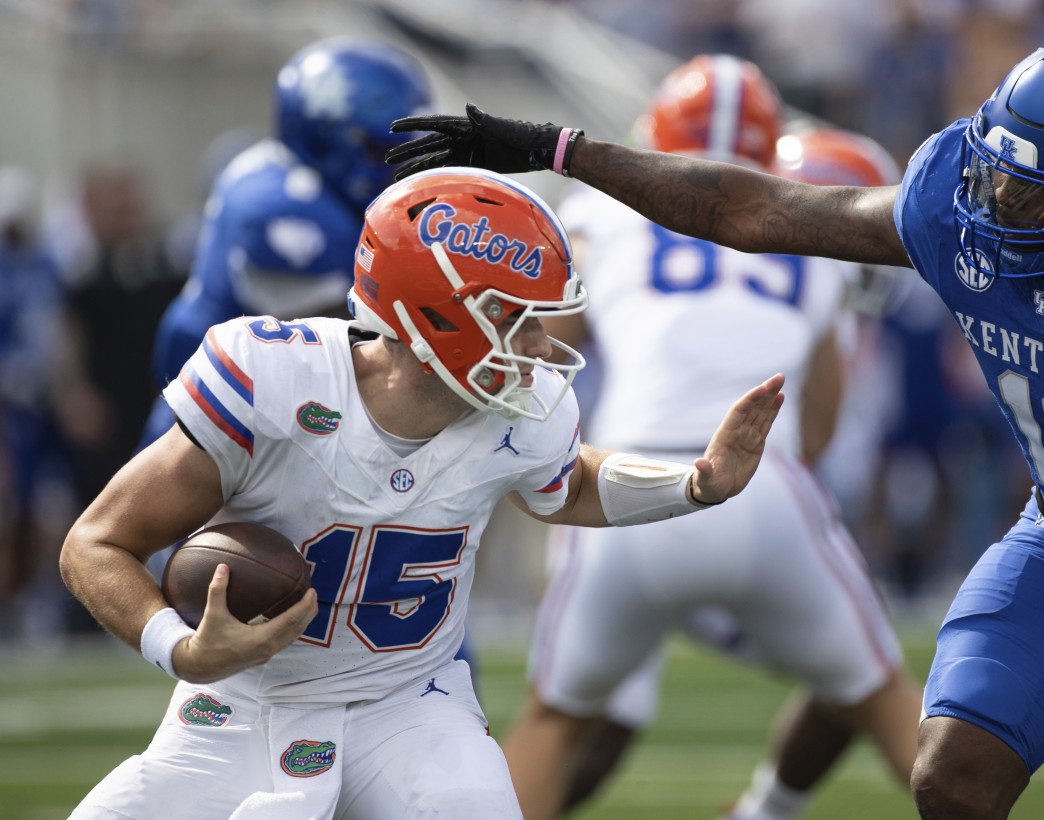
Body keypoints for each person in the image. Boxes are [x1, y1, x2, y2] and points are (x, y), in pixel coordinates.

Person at [387, 35, 1044, 819]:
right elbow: (750, 212)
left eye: (1031, 193)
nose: (994, 203)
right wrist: (557, 149)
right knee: (947, 775)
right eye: (995, 172)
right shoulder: (956, 206)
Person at [58, 166, 785, 819]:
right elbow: (98, 542)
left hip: (409, 706)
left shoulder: (523, 416)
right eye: (517, 317)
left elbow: (569, 484)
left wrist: (694, 485)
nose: (540, 346)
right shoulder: (273, 380)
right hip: (243, 701)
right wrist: (180, 650)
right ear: (435, 312)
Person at [499, 57, 919, 820]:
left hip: (625, 483)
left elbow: (530, 361)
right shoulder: (805, 220)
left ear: (653, 136)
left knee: (556, 724)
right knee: (884, 701)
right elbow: (819, 429)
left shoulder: (603, 217)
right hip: (766, 492)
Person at [140, 36, 433, 447]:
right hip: (217, 427)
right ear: (323, 136)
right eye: (380, 149)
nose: (397, 164)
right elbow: (354, 343)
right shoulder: (283, 209)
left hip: (264, 413)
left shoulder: (281, 170)